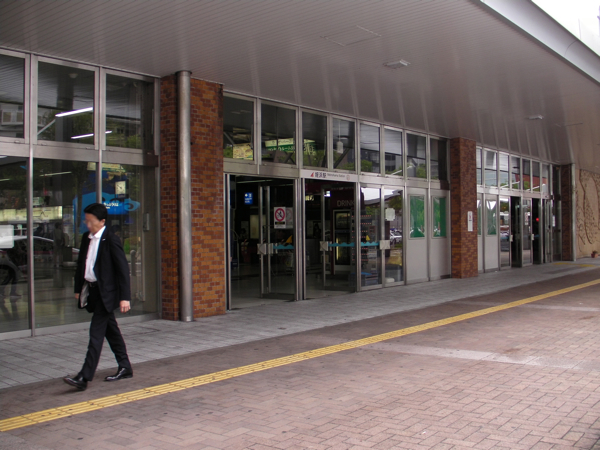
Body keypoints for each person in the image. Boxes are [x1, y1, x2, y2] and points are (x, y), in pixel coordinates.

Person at [63, 203, 133, 391]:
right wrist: (78, 288)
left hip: (106, 293)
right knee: (111, 331)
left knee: (96, 334)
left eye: (91, 221)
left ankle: (84, 377)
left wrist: (125, 297)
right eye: (86, 221)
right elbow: (81, 264)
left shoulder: (111, 239)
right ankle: (125, 366)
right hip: (92, 291)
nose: (87, 225)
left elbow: (122, 270)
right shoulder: (86, 238)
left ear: (102, 221)